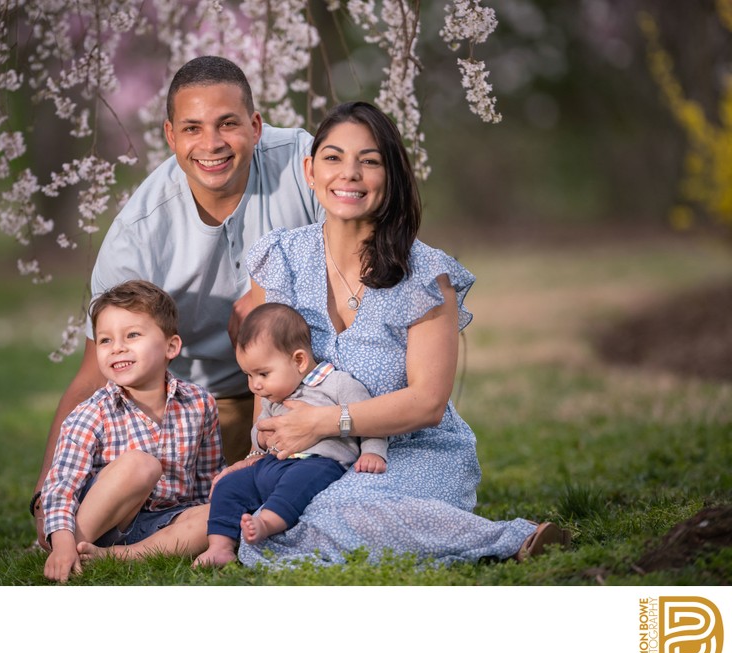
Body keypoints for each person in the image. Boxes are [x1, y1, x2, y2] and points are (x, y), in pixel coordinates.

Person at [236, 101, 570, 567]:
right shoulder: (281, 259)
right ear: (310, 171)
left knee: (325, 513)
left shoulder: (425, 275)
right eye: (333, 158)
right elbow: (265, 374)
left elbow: (428, 403)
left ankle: (513, 539)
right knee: (264, 514)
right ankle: (427, 530)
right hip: (314, 457)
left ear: (390, 175)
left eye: (369, 161)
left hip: (412, 452)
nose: (348, 174)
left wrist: (322, 422)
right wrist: (259, 448)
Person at [30, 55, 323, 550]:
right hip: (203, 410)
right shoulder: (138, 236)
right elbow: (92, 374)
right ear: (170, 135)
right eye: (192, 128)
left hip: (309, 380)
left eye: (228, 124)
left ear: (255, 125)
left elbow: (358, 253)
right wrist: (43, 500)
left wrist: (268, 293)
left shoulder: (308, 163)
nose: (211, 145)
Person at [41, 280, 224, 582]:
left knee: (216, 515)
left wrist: (217, 517)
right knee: (141, 465)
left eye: (133, 335)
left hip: (161, 522)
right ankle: (70, 550)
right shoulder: (92, 413)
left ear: (171, 346)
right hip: (99, 521)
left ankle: (124, 555)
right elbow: (61, 486)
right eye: (105, 340)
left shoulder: (199, 404)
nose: (118, 348)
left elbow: (207, 480)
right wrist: (60, 542)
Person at [195, 302, 388, 567]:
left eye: (262, 373)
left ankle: (265, 524)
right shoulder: (274, 396)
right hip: (272, 463)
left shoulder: (337, 384)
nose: (255, 385)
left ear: (299, 360)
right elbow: (259, 430)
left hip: (317, 464)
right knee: (230, 484)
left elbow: (369, 421)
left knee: (296, 484)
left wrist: (373, 452)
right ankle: (220, 547)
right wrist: (261, 439)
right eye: (249, 375)